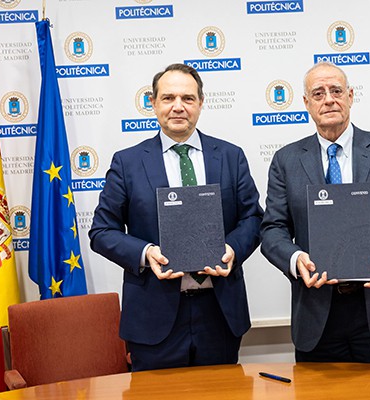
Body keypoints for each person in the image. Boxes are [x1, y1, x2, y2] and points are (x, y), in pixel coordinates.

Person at [260, 62, 370, 365]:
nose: (328, 99)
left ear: (350, 96)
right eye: (318, 93)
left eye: (336, 91)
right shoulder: (285, 161)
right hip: (317, 315)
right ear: (306, 103)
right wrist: (295, 260)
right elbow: (272, 230)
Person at [89, 63, 263, 371]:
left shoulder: (230, 156)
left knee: (223, 392)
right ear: (153, 103)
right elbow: (101, 231)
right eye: (168, 98)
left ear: (201, 103)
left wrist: (232, 249)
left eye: (188, 98)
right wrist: (146, 253)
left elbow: (253, 218)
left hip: (219, 314)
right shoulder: (128, 163)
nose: (178, 106)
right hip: (153, 316)